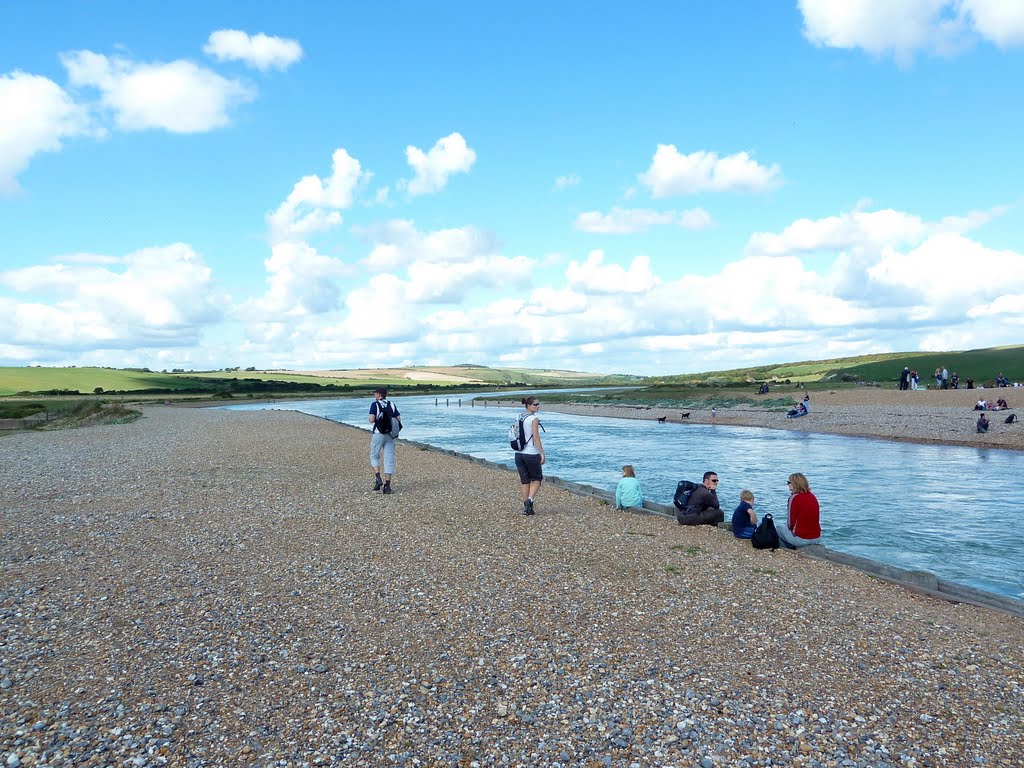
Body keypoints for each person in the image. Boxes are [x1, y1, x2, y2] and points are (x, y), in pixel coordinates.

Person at [514, 396, 545, 515]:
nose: (538, 406)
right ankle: (530, 501)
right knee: (537, 479)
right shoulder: (534, 418)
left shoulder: (519, 416)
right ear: (528, 405)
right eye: (535, 404)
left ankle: (526, 508)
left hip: (519, 453)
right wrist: (542, 453)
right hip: (531, 453)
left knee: (525, 481)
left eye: (538, 404)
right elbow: (536, 437)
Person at [368, 386, 402, 494]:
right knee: (389, 458)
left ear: (378, 394)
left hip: (378, 433)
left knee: (374, 455)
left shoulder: (375, 404)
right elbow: (398, 419)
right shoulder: (392, 404)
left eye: (375, 394)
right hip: (390, 435)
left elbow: (372, 419)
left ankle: (378, 478)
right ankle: (387, 486)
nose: (374, 395)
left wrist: (372, 419)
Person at [776, 472, 821, 549]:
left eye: (789, 482)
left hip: (802, 539)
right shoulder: (812, 496)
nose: (787, 484)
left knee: (778, 528)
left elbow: (790, 524)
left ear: (795, 484)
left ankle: (787, 549)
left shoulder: (794, 498)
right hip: (817, 537)